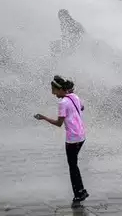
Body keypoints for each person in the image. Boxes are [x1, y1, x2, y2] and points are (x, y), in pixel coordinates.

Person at [34, 75, 89, 203]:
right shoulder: (74, 96)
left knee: (72, 166)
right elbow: (82, 107)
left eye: (53, 90)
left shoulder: (62, 103)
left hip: (72, 138)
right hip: (81, 136)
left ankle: (80, 193)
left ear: (59, 89)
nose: (53, 93)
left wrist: (44, 118)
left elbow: (59, 123)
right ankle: (81, 191)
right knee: (74, 164)